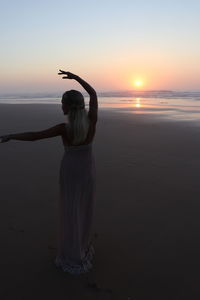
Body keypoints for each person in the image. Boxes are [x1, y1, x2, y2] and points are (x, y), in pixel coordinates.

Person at [0, 70, 98, 276]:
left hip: (70, 170)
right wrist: (77, 78)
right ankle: (82, 245)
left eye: (62, 102)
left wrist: (11, 136)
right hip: (87, 170)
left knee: (70, 209)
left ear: (68, 107)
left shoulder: (64, 128)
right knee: (83, 207)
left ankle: (72, 253)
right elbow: (94, 94)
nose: (60, 106)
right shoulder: (91, 121)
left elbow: (36, 136)